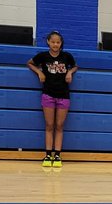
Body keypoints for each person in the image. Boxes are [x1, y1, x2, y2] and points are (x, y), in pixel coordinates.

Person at [28, 31, 77, 168]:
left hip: (63, 95)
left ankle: (57, 155)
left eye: (58, 42)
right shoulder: (43, 56)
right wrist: (39, 72)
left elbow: (75, 66)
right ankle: (48, 154)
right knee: (49, 125)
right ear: (48, 42)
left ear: (61, 43)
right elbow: (30, 63)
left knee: (59, 126)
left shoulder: (66, 56)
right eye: (53, 42)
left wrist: (69, 72)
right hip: (48, 94)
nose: (55, 44)